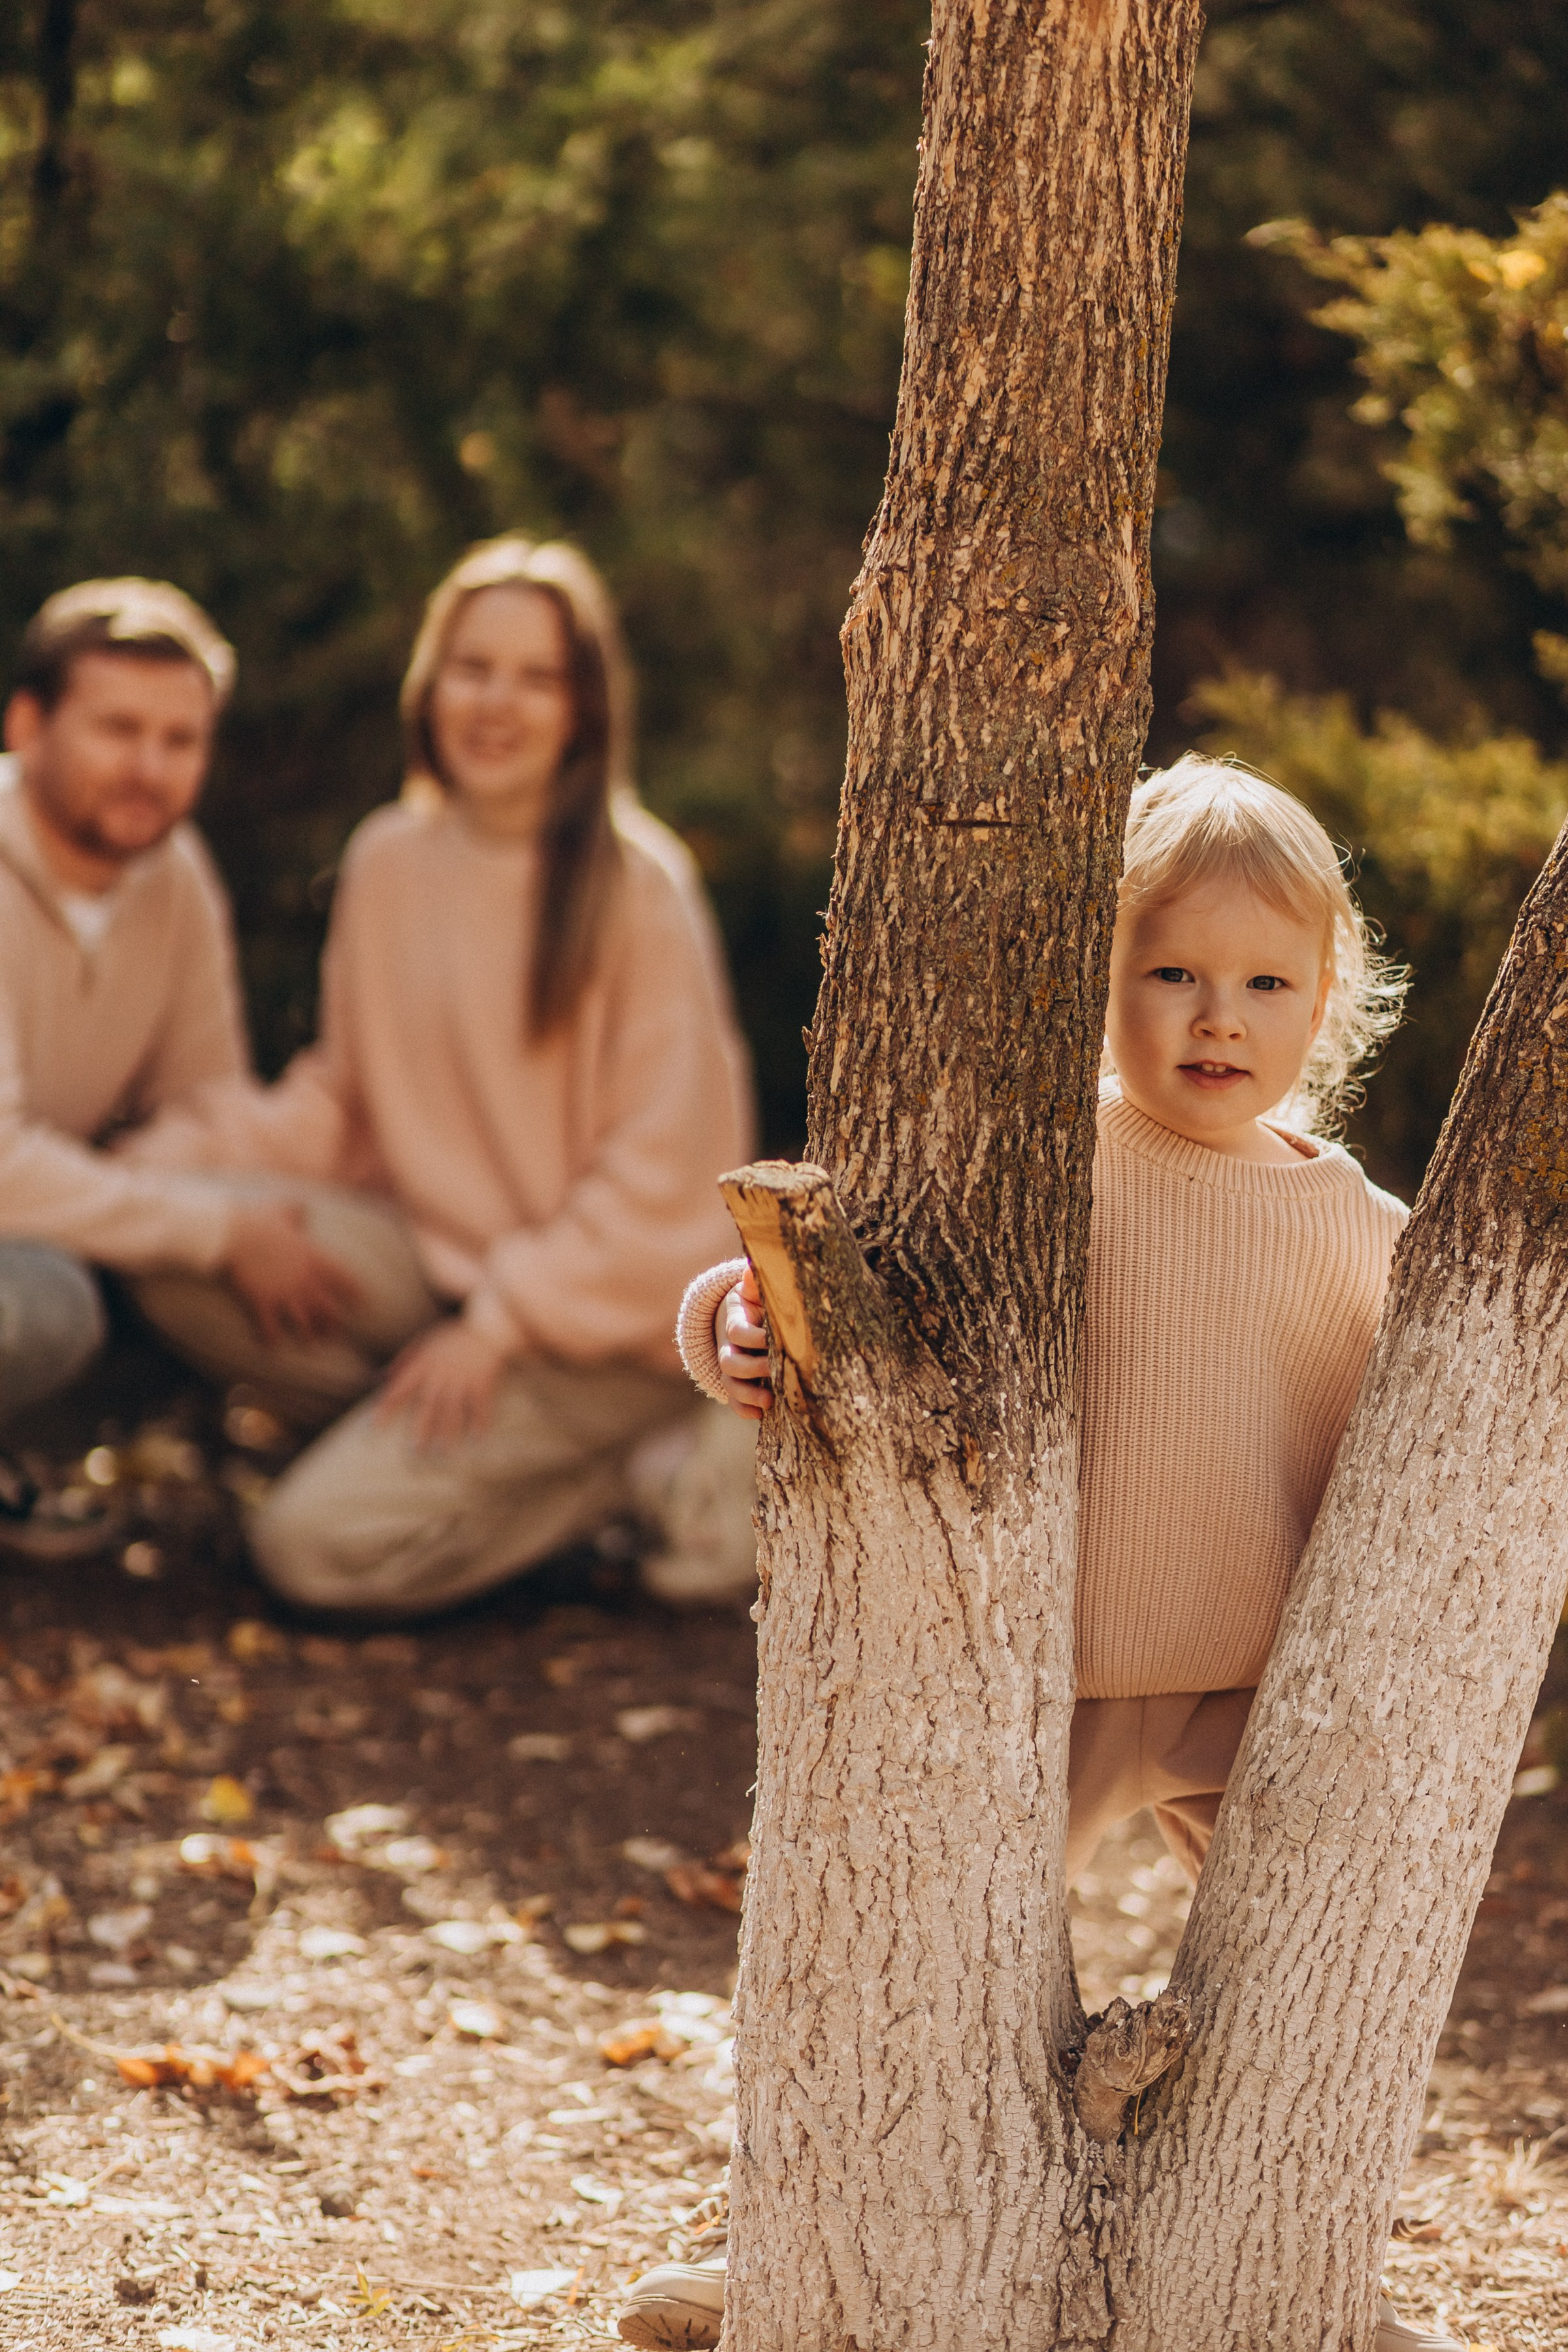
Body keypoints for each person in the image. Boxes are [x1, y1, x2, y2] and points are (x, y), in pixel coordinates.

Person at [627, 759, 1458, 2352]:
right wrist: (728, 1320)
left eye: (1266, 983)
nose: (1218, 1017)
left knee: (1323, 1987)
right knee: (907, 1977)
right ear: (1095, 978)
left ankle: (1307, 2274)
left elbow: (1464, 1407)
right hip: (1041, 1681)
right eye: (1172, 973)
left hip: (1245, 1693)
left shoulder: (1363, 1226)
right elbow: (836, 1265)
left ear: (1327, 1003)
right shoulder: (1043, 1163)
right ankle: (802, 2247)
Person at [129, 534, 757, 1614]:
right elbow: (344, 1101)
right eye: (473, 668)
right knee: (176, 1243)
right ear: (432, 685)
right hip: (437, 1273)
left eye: (536, 675)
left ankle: (625, 1474)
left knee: (307, 1552)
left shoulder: (637, 884)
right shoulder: (389, 859)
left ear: (584, 707)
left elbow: (666, 1172)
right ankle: (419, 1453)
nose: (496, 702)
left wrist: (497, 1326)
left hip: (603, 1330)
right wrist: (149, 1171)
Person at [0, 579, 357, 1557]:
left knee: (185, 1279)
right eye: (118, 729)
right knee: (43, 1308)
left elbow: (207, 1109)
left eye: (180, 740)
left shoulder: (176, 876)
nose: (148, 768)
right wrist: (218, 1231)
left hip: (46, 1217)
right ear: (28, 725)